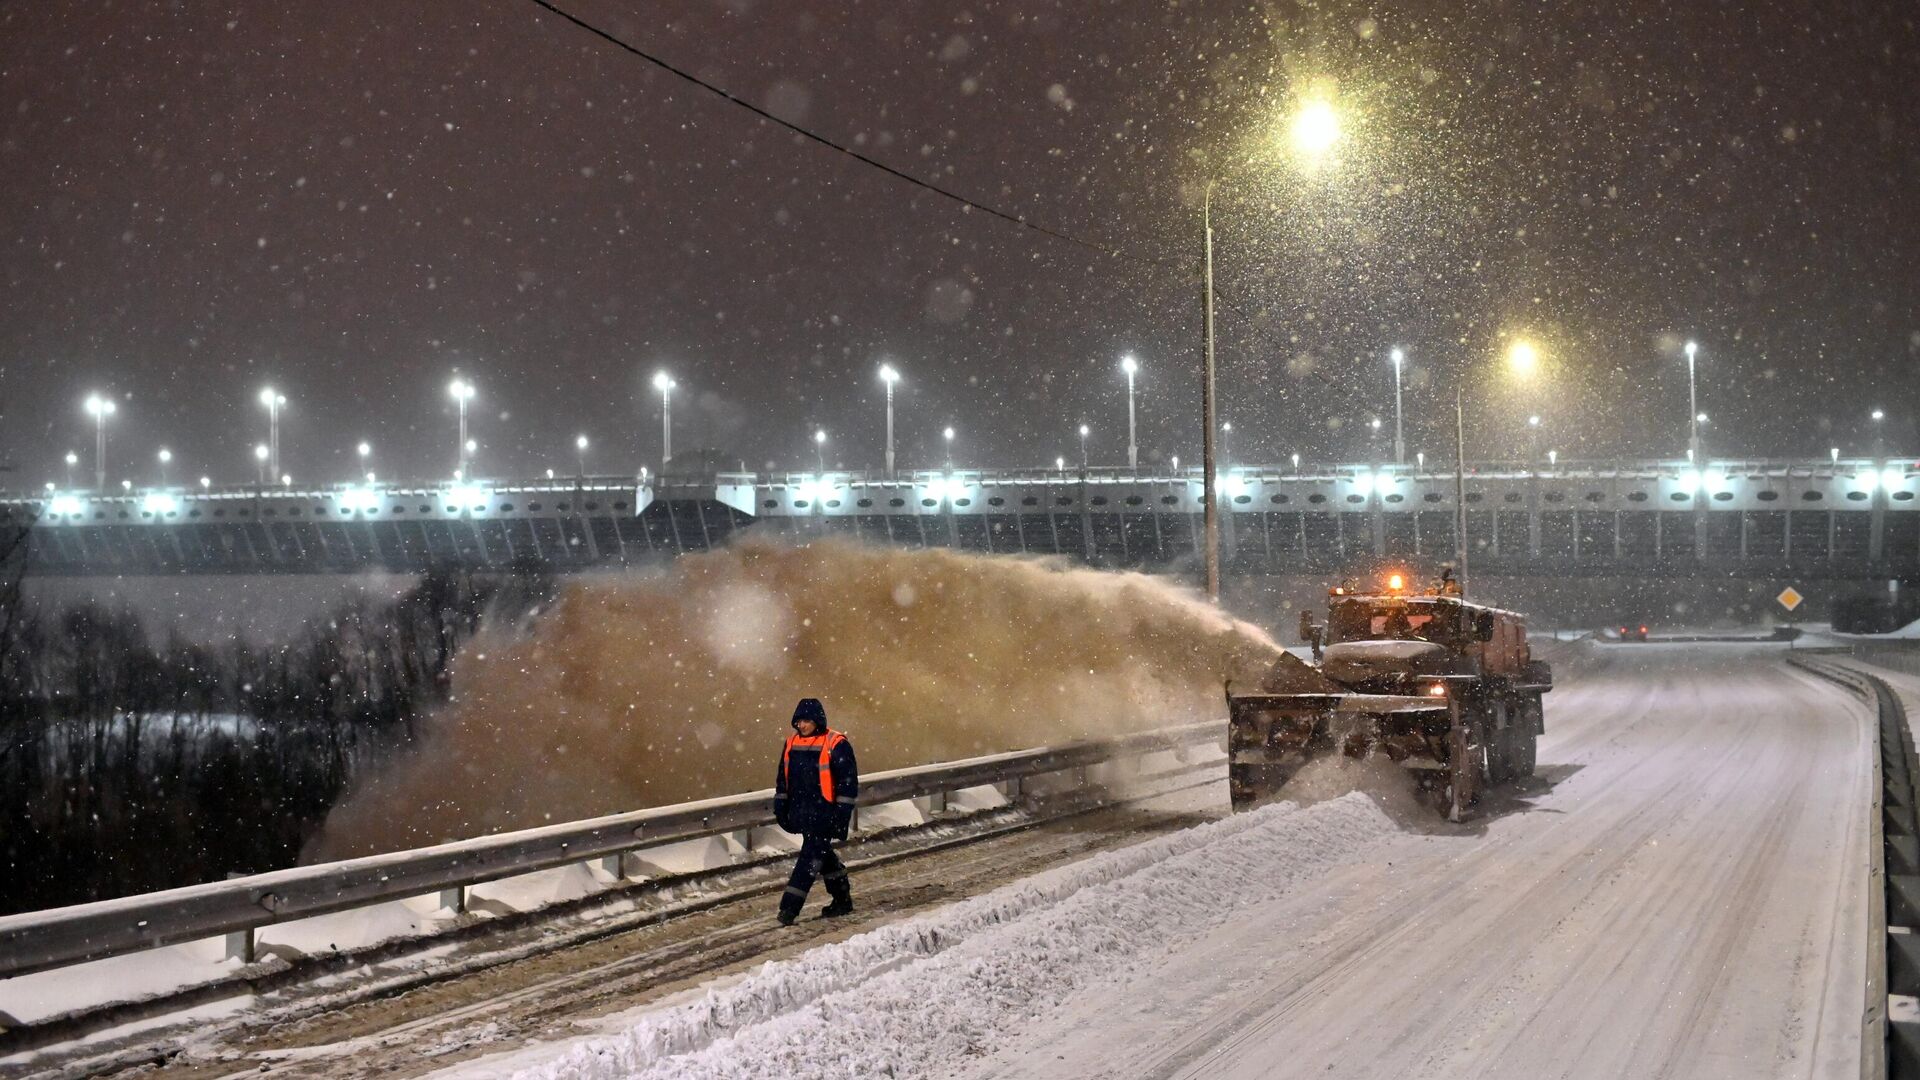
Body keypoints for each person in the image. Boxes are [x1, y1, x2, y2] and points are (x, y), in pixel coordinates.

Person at [772, 697, 858, 926]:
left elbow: (847, 785)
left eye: (806, 720)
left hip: (824, 814)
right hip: (802, 813)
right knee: (823, 855)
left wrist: (841, 815)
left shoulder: (836, 743)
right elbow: (783, 779)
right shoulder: (791, 744)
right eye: (798, 721)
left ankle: (789, 909)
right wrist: (781, 806)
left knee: (809, 860)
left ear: (817, 721)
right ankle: (842, 898)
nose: (801, 725)